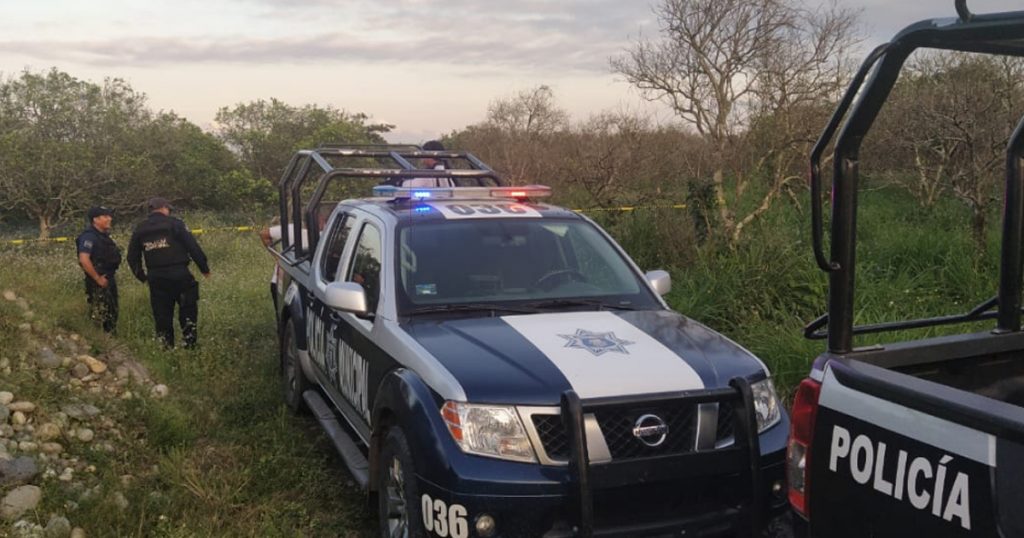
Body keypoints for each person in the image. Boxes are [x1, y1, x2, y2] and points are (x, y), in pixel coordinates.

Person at [127, 197, 210, 349]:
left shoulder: (140, 228)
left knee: (162, 315)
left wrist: (142, 277)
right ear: (164, 208)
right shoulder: (175, 224)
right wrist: (204, 268)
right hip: (179, 275)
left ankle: (166, 347)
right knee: (188, 309)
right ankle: (189, 344)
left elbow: (132, 257)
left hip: (156, 277)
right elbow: (193, 247)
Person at [76, 206, 121, 332]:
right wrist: (97, 278)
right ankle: (100, 344)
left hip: (107, 279)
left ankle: (110, 341)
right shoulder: (89, 236)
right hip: (97, 282)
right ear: (95, 219)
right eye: (105, 216)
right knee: (100, 314)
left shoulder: (103, 236)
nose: (109, 219)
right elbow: (84, 259)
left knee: (111, 314)